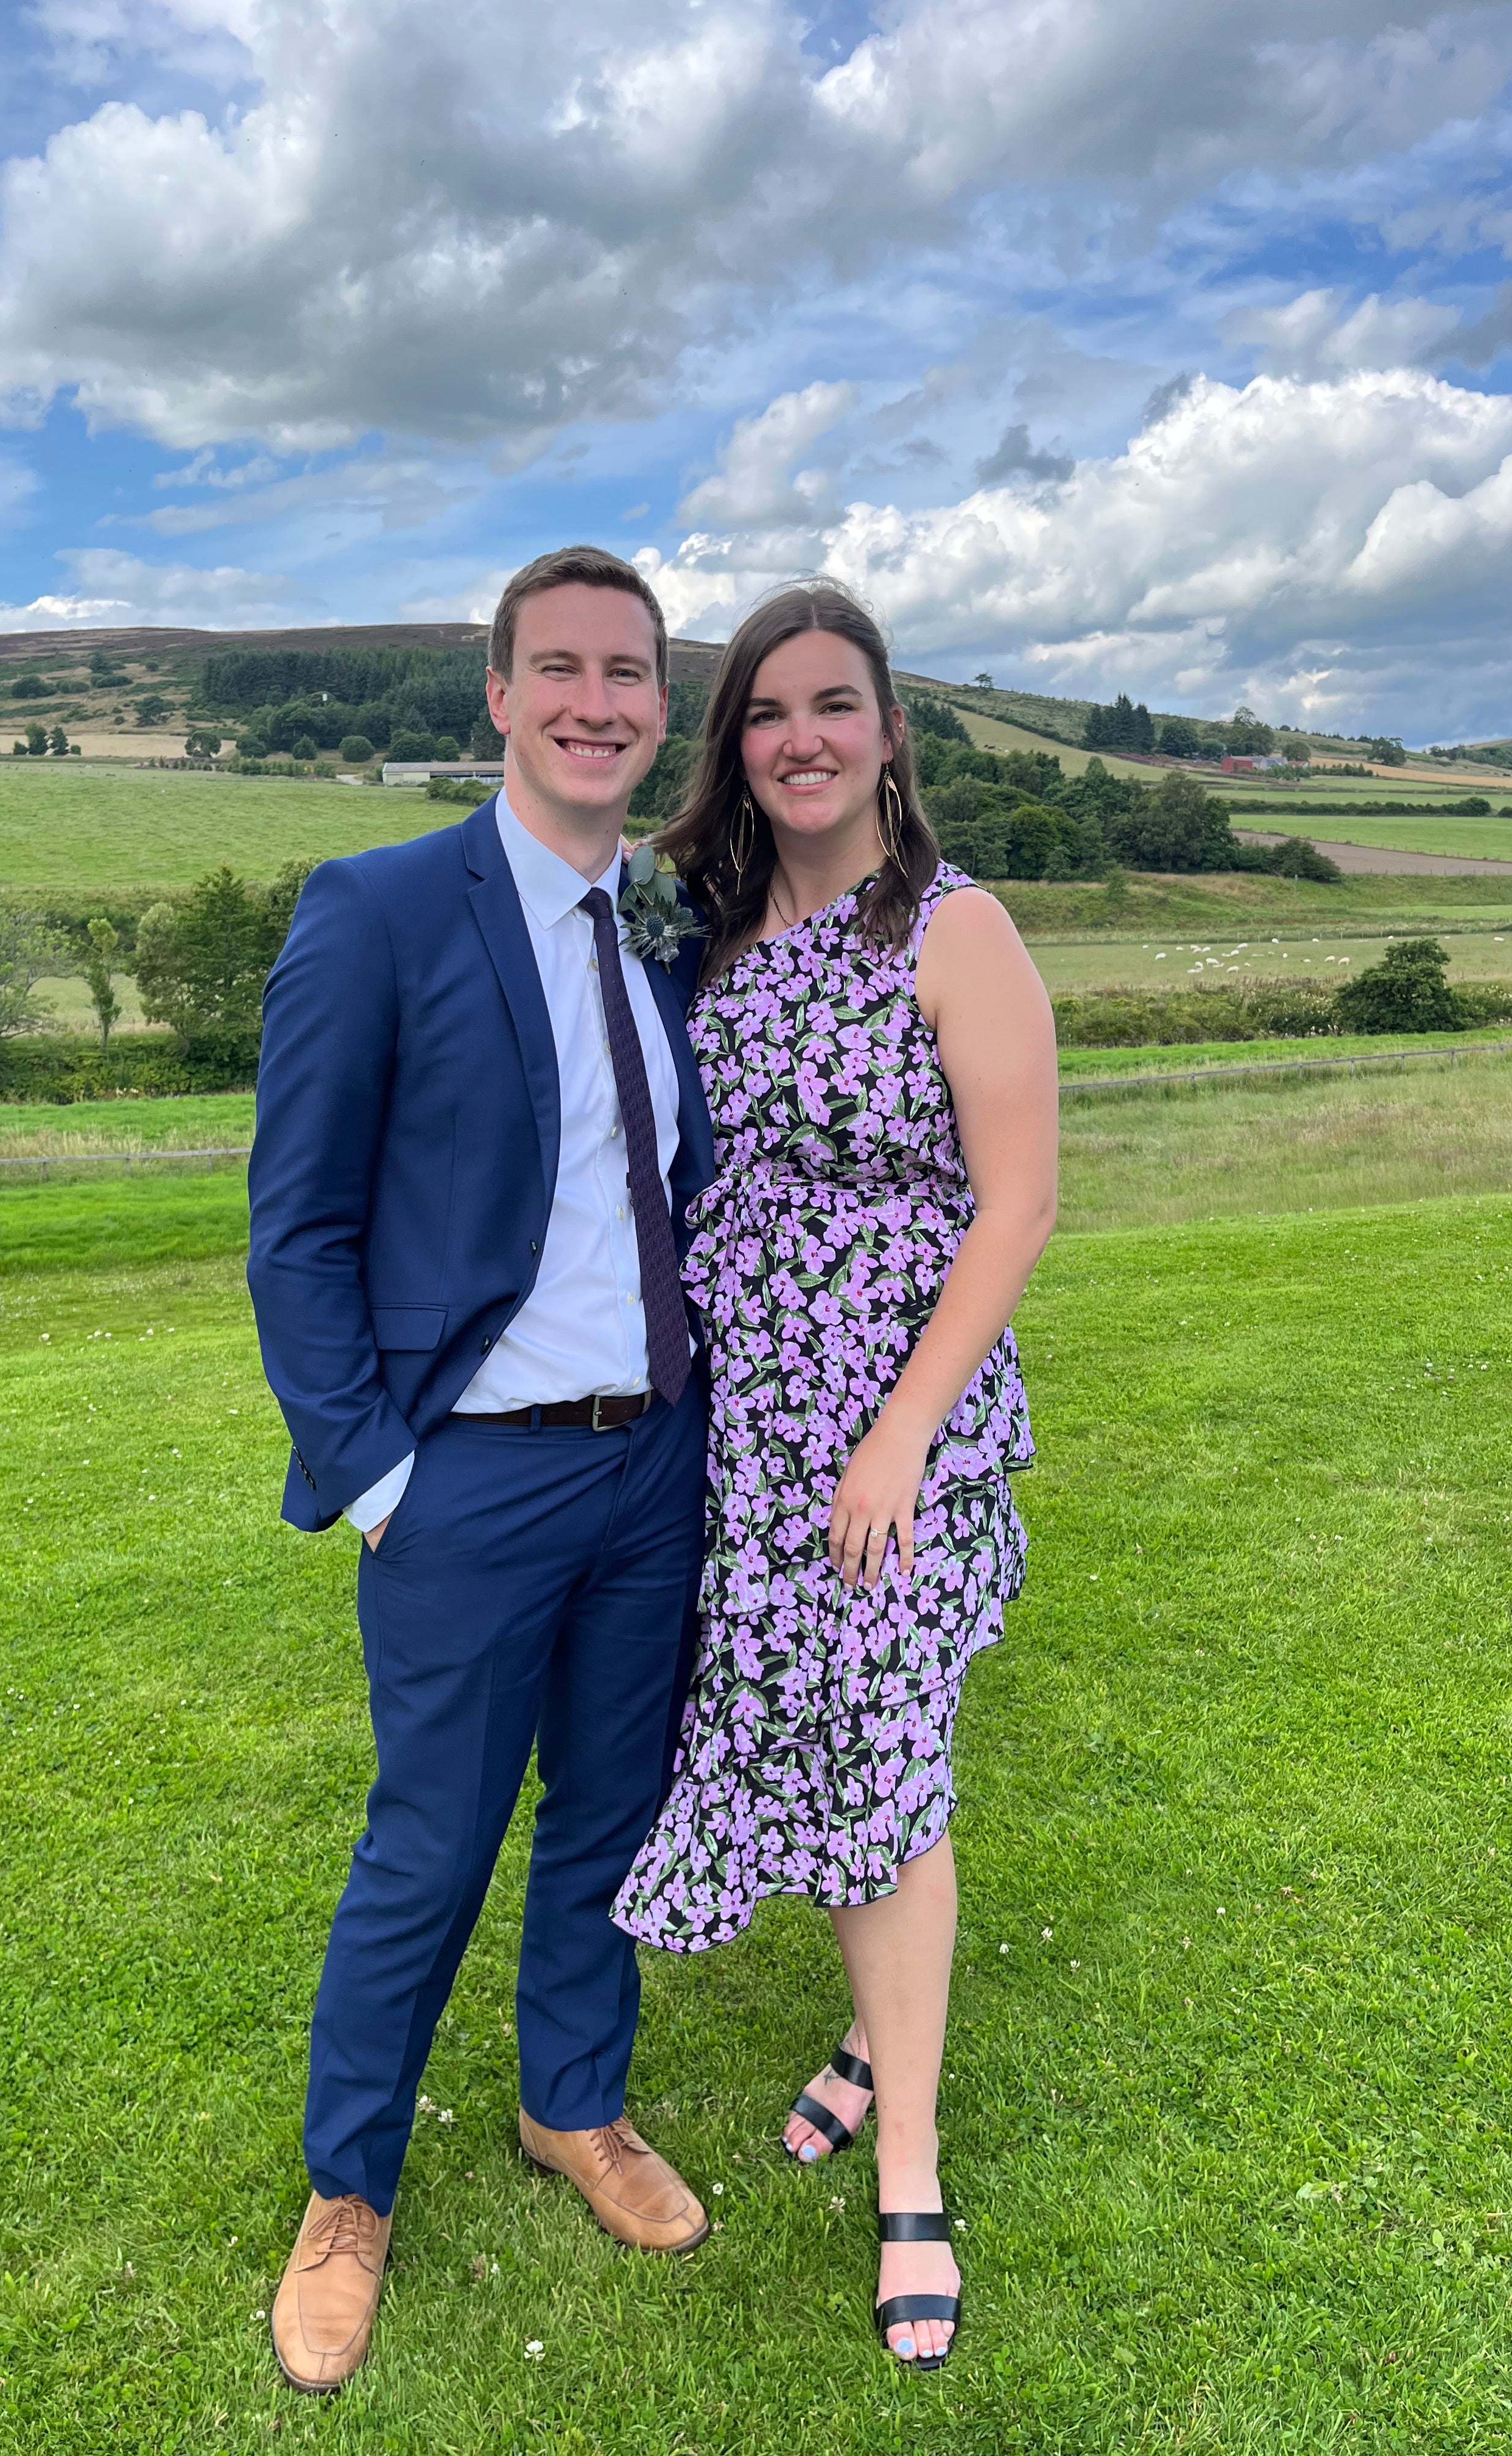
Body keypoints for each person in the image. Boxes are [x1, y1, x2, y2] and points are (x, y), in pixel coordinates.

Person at [246, 545, 717, 2396]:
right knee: (428, 1845)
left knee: (609, 1817)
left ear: (657, 709)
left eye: (631, 674)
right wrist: (377, 1477)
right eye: (563, 670)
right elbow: (299, 1231)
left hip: (649, 1471)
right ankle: (349, 2191)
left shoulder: (665, 929)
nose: (599, 701)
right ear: (500, 698)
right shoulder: (376, 910)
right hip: (467, 1487)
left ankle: (570, 2106)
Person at [613, 581, 1059, 2369]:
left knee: (885, 1759)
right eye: (769, 712)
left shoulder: (955, 931)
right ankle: (883, 2032)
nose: (801, 736)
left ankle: (916, 2172)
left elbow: (1016, 1203)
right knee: (814, 1733)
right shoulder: (703, 925)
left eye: (836, 705)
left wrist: (899, 1436)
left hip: (894, 1426)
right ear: (739, 746)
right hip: (746, 1419)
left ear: (889, 733)